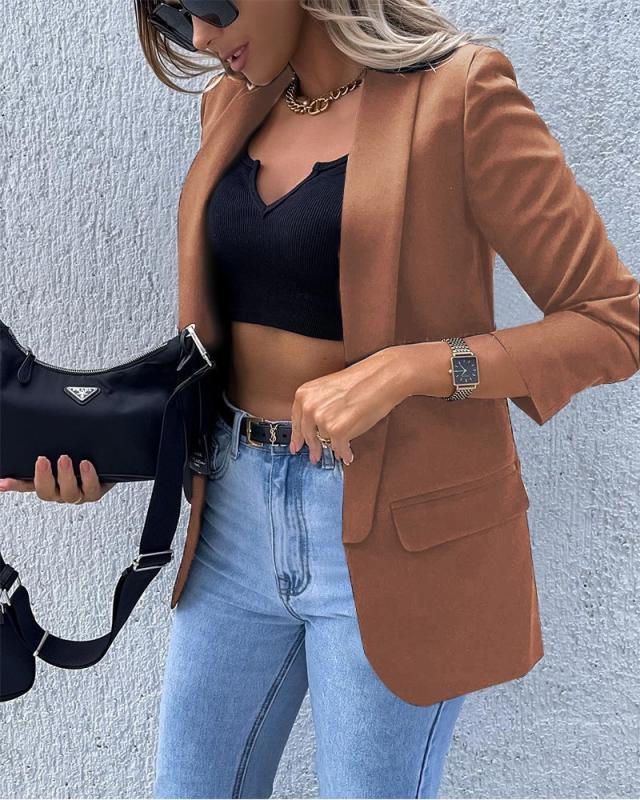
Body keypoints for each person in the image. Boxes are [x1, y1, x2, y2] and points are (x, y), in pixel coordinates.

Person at [2, 1, 637, 798]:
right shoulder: (233, 102)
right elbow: (219, 349)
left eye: (207, 3)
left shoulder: (462, 93)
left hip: (394, 530)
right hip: (231, 519)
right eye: (170, 16)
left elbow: (612, 322)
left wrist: (413, 368)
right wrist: (109, 446)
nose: (199, 36)